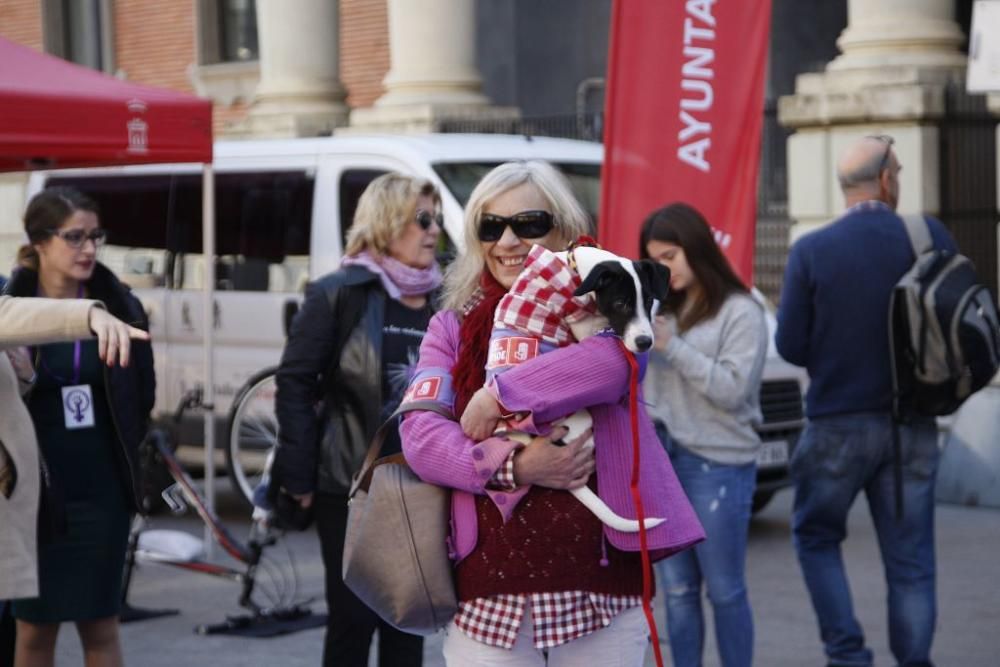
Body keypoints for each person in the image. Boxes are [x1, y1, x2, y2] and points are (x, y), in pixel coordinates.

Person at [399, 160, 704, 665]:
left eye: (530, 223)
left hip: (600, 587)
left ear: (562, 227)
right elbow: (421, 438)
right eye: (491, 227)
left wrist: (497, 396)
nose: (509, 241)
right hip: (489, 591)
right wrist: (514, 466)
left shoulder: (610, 307)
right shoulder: (451, 327)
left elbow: (612, 367)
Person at [775, 135, 956, 667]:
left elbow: (790, 345)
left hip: (835, 425)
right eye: (897, 171)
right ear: (885, 180)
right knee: (912, 562)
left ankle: (848, 655)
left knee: (815, 537)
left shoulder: (812, 249)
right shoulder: (929, 236)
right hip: (913, 426)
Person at [273, 172, 443, 667]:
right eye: (422, 218)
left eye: (436, 220)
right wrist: (299, 474)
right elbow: (296, 384)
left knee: (407, 620)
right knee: (351, 620)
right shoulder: (338, 294)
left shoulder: (445, 299)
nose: (433, 231)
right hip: (352, 486)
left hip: (424, 487)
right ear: (387, 221)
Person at [3, 187, 155, 667]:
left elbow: (140, 397)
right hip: (35, 490)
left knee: (101, 624)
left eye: (95, 236)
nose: (89, 248)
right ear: (40, 241)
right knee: (33, 629)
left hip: (101, 488)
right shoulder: (12, 307)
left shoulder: (119, 303)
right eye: (74, 237)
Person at [638, 202, 767, 667]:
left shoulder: (740, 310)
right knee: (678, 591)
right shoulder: (653, 308)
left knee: (725, 590)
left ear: (697, 249)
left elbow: (733, 390)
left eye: (671, 256)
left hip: (718, 463)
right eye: (655, 260)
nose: (664, 269)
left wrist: (673, 345)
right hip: (663, 463)